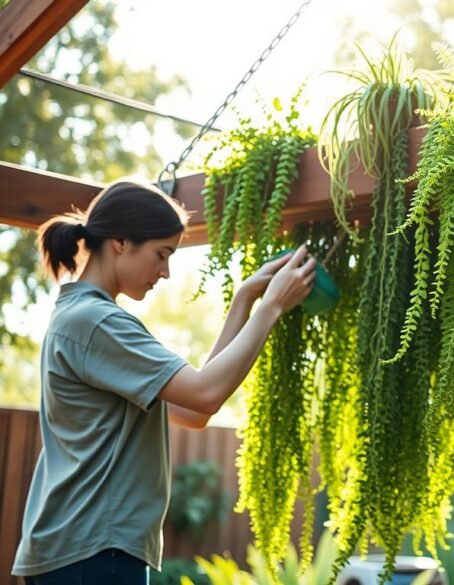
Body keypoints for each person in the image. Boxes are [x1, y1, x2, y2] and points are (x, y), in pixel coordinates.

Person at [11, 180, 317, 584]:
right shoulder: (96, 322)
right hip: (93, 549)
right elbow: (205, 394)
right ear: (120, 242)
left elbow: (192, 409)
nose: (166, 272)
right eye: (162, 254)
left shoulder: (83, 317)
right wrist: (272, 307)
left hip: (86, 547)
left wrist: (245, 299)